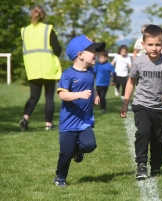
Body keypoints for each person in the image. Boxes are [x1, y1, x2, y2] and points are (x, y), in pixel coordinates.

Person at [120, 24, 162, 180]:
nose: (154, 48)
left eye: (157, 44)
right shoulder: (138, 62)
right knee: (143, 133)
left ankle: (156, 166)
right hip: (141, 105)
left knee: (159, 139)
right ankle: (141, 165)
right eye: (150, 44)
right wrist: (126, 102)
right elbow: (131, 82)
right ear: (143, 45)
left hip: (161, 108)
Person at [54, 35, 105, 187]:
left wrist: (95, 94)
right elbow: (62, 94)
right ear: (80, 55)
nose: (95, 54)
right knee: (65, 154)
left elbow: (91, 86)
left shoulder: (91, 71)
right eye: (92, 51)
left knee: (90, 145)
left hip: (84, 121)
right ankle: (60, 177)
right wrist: (80, 95)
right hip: (69, 122)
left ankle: (78, 150)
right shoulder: (68, 74)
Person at [20, 5, 62, 131]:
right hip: (48, 67)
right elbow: (57, 49)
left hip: (32, 68)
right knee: (49, 97)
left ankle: (25, 118)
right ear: (43, 15)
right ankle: (48, 124)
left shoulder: (24, 31)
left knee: (34, 96)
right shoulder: (48, 29)